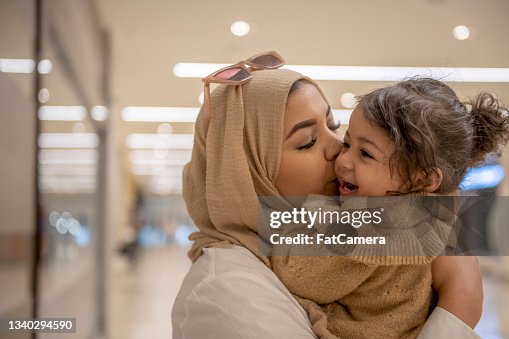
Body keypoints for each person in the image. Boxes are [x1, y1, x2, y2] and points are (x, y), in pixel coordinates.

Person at [171, 52, 483, 338]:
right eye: (307, 140)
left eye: (332, 125)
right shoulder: (227, 292)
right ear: (242, 169)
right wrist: (459, 303)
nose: (337, 150)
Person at [271, 78, 509, 338]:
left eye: (366, 154)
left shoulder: (382, 220)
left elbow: (304, 278)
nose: (342, 160)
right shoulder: (437, 212)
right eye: (348, 143)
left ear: (423, 179)